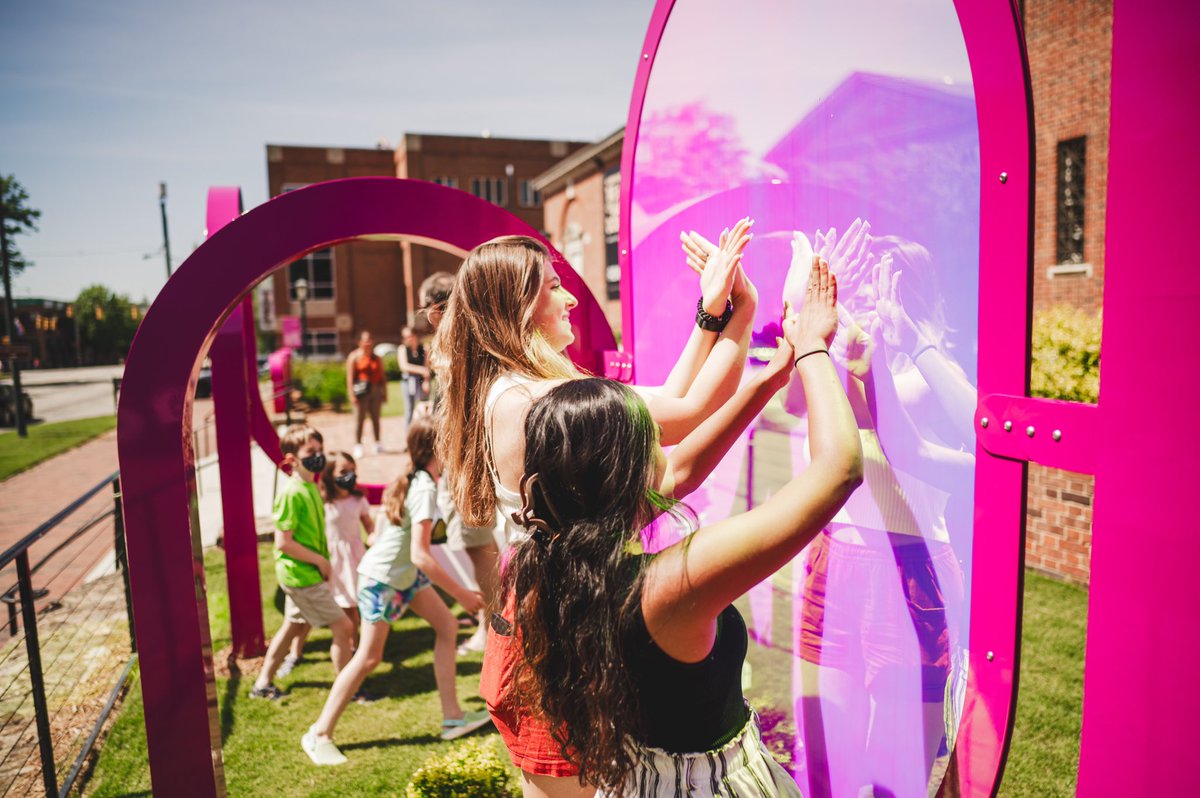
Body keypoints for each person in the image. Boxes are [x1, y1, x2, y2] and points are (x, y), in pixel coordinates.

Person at [496, 259, 861, 796]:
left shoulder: (556, 558)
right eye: (649, 436)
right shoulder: (671, 584)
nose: (662, 445)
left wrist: (768, 377)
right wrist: (812, 349)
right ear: (623, 472)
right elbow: (839, 470)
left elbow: (681, 472)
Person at [435, 226, 756, 797]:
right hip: (553, 628)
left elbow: (659, 408)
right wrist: (744, 308)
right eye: (553, 286)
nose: (571, 298)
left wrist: (712, 315)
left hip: (548, 612)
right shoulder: (532, 399)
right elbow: (683, 411)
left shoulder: (527, 388)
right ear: (518, 303)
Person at [301, 417, 492, 765]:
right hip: (382, 580)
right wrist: (463, 594)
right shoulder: (424, 488)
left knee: (447, 628)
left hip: (402, 577)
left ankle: (452, 717)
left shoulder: (423, 480)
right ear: (440, 448)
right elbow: (421, 555)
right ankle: (319, 733)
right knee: (368, 659)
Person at [251, 424, 357, 700]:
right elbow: (283, 542)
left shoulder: (311, 485)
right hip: (302, 575)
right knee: (344, 627)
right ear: (291, 459)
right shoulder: (292, 493)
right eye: (311, 451)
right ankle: (347, 691)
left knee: (293, 626)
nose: (318, 456)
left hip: (302, 573)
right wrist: (321, 562)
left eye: (320, 450)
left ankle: (262, 683)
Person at [346, 330, 387, 458]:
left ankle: (377, 443)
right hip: (361, 391)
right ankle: (358, 445)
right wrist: (352, 394)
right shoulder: (354, 357)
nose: (368, 343)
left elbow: (382, 376)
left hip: (375, 391)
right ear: (359, 342)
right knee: (359, 419)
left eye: (370, 340)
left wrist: (384, 392)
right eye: (365, 340)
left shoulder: (377, 358)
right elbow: (350, 378)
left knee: (376, 418)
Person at [398, 326, 430, 427]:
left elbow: (427, 367)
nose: (408, 339)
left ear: (415, 335)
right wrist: (421, 370)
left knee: (425, 408)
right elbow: (404, 366)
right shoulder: (402, 349)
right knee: (409, 410)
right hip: (408, 382)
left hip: (421, 381)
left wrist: (426, 381)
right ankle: (408, 437)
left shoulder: (424, 348)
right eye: (405, 337)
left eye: (410, 336)